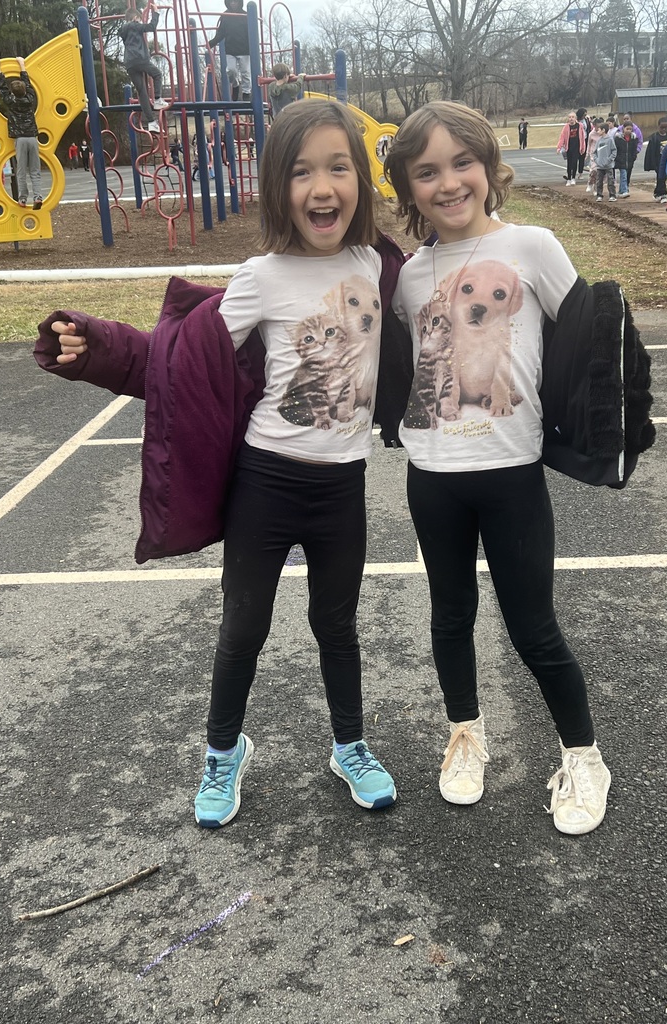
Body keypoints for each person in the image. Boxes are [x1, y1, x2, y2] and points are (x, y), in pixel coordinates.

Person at [35, 100, 404, 829]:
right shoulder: (262, 278)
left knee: (338, 626)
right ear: (277, 187)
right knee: (244, 629)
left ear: (360, 178)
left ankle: (349, 745)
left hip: (342, 490)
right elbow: (175, 360)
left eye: (337, 167)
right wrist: (101, 345)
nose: (321, 187)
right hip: (265, 485)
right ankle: (223, 751)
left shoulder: (379, 265)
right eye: (301, 172)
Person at [383, 101, 653, 835]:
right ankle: (465, 734)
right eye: (427, 171)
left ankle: (584, 756)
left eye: (461, 163)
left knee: (534, 628)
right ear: (408, 186)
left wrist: (602, 433)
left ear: (487, 166)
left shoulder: (533, 247)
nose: (448, 182)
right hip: (431, 476)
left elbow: (591, 347)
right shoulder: (408, 278)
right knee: (450, 618)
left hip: (511, 475)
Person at [0, 56, 43, 209]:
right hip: (32, 138)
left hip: (20, 139)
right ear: (24, 90)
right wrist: (22, 64)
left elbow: (1, 87)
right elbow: (29, 84)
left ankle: (22, 199)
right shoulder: (30, 99)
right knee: (35, 170)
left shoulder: (10, 101)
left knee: (21, 170)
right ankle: (38, 197)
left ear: (12, 92)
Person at [119, 6, 168, 134]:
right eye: (139, 19)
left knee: (142, 92)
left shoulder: (123, 30)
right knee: (157, 74)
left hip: (129, 63)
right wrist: (156, 12)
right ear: (135, 18)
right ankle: (157, 99)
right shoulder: (135, 25)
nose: (140, 21)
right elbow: (151, 27)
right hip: (140, 58)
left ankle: (152, 122)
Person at [208, 0, 251, 101]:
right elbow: (221, 32)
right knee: (231, 70)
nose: (233, 4)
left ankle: (246, 92)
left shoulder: (245, 15)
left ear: (239, 2)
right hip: (230, 49)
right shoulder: (226, 15)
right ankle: (235, 85)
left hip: (244, 49)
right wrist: (211, 43)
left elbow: (251, 32)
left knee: (245, 72)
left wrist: (253, 47)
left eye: (235, 1)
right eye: (231, 2)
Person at [643, 116, 667, 203]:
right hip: (659, 161)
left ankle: (657, 193)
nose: (663, 129)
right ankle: (663, 194)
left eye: (665, 127)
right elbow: (651, 152)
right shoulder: (654, 137)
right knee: (661, 177)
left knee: (662, 178)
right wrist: (653, 164)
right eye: (661, 127)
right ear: (658, 126)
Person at [557, 111, 585, 186]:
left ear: (575, 118)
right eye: (570, 117)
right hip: (569, 147)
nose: (571, 119)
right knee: (569, 163)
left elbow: (582, 137)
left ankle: (573, 178)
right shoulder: (566, 127)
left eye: (573, 117)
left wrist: (583, 147)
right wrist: (559, 147)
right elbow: (562, 137)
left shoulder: (580, 126)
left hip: (577, 147)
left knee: (575, 163)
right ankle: (569, 178)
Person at [591, 122, 617, 202]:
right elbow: (594, 152)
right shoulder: (599, 141)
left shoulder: (610, 140)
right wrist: (597, 160)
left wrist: (609, 160)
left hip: (608, 166)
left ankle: (612, 195)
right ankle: (599, 195)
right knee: (599, 181)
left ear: (603, 130)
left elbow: (614, 151)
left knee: (610, 181)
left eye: (598, 130)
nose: (597, 131)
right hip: (600, 166)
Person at [614, 120, 638, 196]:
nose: (628, 131)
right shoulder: (618, 139)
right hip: (621, 160)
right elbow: (616, 149)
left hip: (630, 160)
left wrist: (634, 157)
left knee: (627, 176)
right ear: (623, 129)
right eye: (627, 129)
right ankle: (624, 190)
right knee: (623, 175)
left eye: (630, 129)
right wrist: (618, 158)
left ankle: (621, 190)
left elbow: (634, 149)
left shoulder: (633, 139)